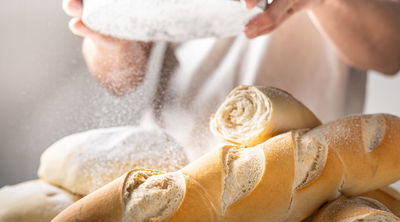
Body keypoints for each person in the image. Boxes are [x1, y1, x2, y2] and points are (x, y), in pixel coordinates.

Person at [63, 0, 400, 160]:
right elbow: (121, 78)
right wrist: (109, 35)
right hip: (172, 174)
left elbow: (388, 52)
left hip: (305, 180)